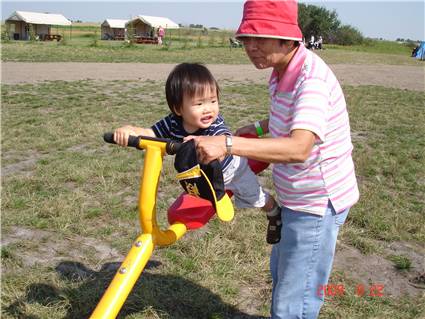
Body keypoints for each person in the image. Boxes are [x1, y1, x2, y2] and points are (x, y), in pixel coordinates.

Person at [186, 1, 359, 318]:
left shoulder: (312, 82)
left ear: (287, 38)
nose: (250, 47)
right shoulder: (283, 71)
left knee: (294, 300)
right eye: (245, 39)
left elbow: (298, 148)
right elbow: (293, 115)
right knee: (284, 277)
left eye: (259, 37)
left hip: (316, 202)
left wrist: (227, 143)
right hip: (296, 197)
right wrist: (258, 127)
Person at [113, 63, 281, 244]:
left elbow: (223, 146)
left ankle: (275, 213)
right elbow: (150, 134)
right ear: (178, 109)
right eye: (199, 103)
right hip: (202, 179)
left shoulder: (215, 126)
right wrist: (130, 130)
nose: (208, 109)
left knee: (256, 197)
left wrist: (208, 146)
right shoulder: (172, 123)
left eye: (213, 101)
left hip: (233, 173)